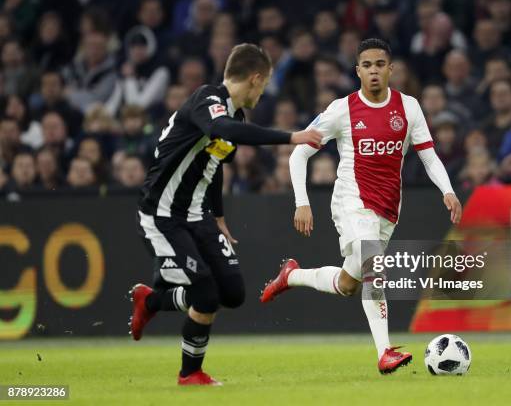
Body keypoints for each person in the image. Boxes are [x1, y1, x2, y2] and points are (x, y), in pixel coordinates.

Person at [260, 39, 461, 374]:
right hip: (352, 202)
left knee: (349, 284)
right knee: (375, 268)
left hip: (387, 210)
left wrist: (448, 191)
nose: (374, 71)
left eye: (380, 64)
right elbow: (299, 152)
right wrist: (302, 202)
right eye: (367, 65)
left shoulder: (409, 108)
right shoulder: (342, 109)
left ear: (390, 69)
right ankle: (384, 352)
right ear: (357, 71)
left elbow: (427, 154)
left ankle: (291, 275)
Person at [127, 43, 322, 386]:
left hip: (197, 214)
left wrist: (218, 215)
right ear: (255, 78)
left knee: (232, 293)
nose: (262, 93)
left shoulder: (235, 116)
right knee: (205, 294)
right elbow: (224, 132)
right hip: (162, 214)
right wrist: (292, 136)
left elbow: (214, 162)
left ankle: (153, 299)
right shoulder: (207, 100)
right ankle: (190, 374)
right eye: (263, 85)